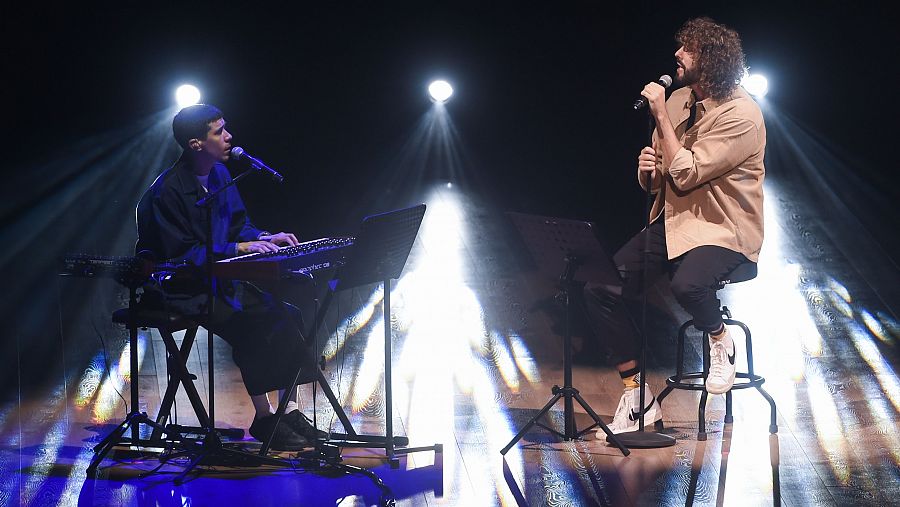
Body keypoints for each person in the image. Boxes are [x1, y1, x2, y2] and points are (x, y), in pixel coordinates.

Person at [583, 17, 766, 434]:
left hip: (724, 230)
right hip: (674, 222)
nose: (677, 55)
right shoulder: (681, 99)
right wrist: (646, 169)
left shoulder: (743, 115)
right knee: (600, 286)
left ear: (712, 60)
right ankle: (637, 395)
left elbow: (687, 174)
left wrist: (661, 118)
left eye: (688, 50)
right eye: (680, 47)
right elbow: (662, 175)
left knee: (688, 285)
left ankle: (721, 340)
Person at [135, 104, 325, 450]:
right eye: (218, 131)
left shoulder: (221, 175)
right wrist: (237, 249)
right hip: (184, 288)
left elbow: (241, 226)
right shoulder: (167, 192)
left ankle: (288, 410)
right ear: (195, 144)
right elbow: (180, 255)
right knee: (252, 325)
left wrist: (265, 237)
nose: (229, 137)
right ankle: (264, 417)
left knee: (289, 315)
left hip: (222, 280)